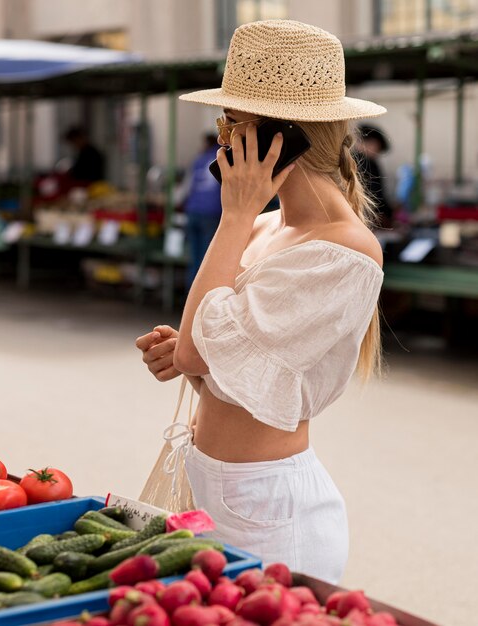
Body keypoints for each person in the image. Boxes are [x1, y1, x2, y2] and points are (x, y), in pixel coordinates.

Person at [135, 20, 386, 584]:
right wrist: (185, 357)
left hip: (269, 508)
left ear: (280, 139)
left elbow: (201, 351)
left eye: (231, 123)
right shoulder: (264, 226)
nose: (221, 138)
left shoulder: (344, 251)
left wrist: (234, 213)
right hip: (210, 483)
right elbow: (223, 368)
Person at [183, 133, 223, 289]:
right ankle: (201, 296)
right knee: (207, 259)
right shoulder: (223, 157)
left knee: (194, 257)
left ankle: (189, 295)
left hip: (193, 211)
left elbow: (188, 187)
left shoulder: (198, 160)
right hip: (211, 213)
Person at [355, 124, 393, 228]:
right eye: (377, 147)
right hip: (367, 219)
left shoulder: (350, 160)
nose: (377, 153)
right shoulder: (367, 163)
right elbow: (376, 194)